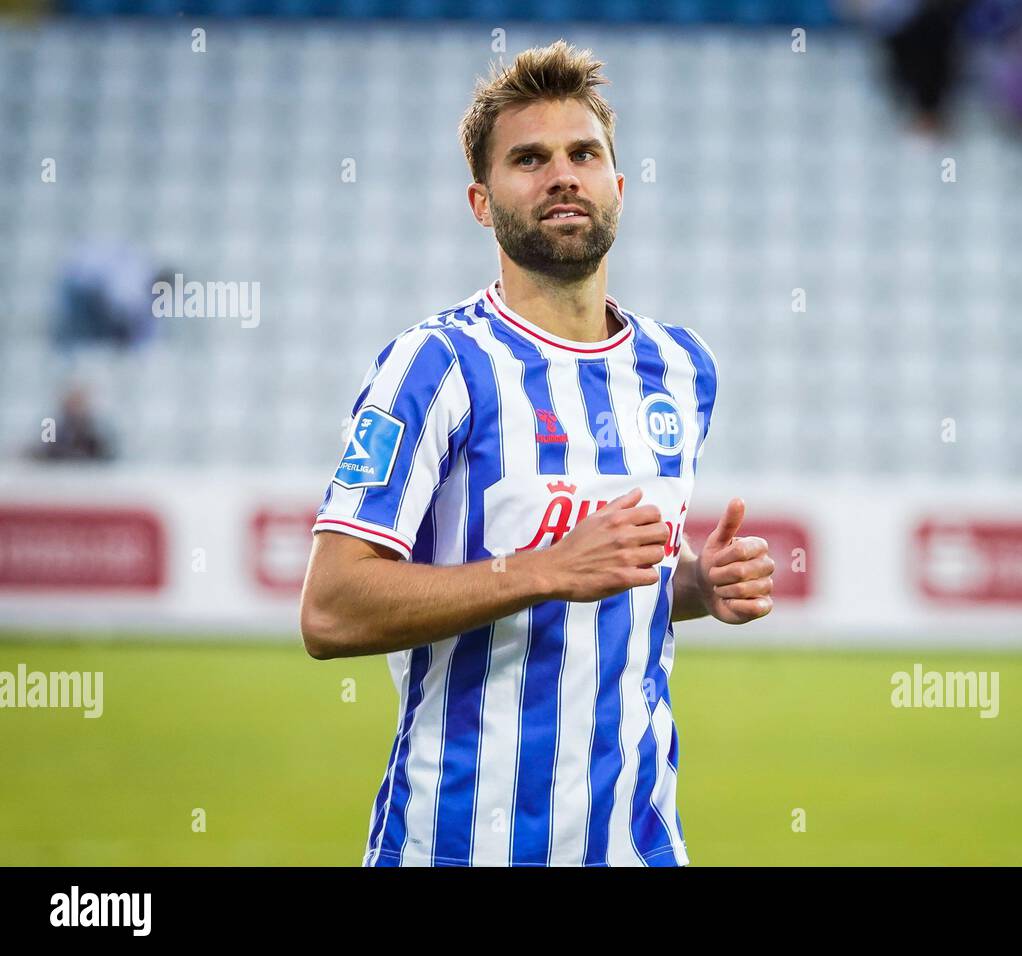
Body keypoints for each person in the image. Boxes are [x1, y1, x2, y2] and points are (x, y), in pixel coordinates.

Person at [299, 41, 776, 867]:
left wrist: (696, 582)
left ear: (617, 188)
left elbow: (623, 590)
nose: (563, 174)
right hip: (454, 845)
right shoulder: (437, 366)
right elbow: (331, 609)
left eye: (583, 154)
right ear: (481, 203)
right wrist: (545, 569)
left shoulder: (680, 368)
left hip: (638, 845)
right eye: (530, 159)